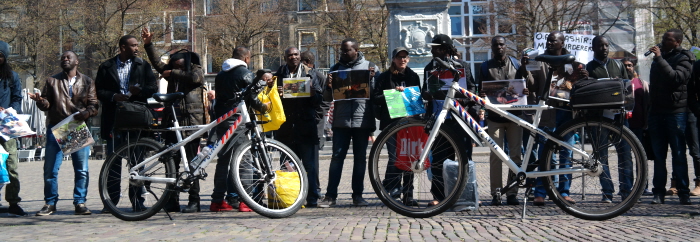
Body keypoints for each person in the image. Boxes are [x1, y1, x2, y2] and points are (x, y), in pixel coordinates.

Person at [142, 27, 206, 213]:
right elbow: (157, 64)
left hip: (191, 124)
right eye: (173, 66)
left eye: (178, 66)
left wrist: (174, 73)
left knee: (193, 163)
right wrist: (149, 45)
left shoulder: (196, 69)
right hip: (172, 121)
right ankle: (172, 200)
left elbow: (196, 78)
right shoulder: (172, 72)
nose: (174, 68)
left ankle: (194, 200)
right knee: (172, 162)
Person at [29, 51, 98, 216]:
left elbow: (94, 106)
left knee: (81, 169)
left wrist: (86, 114)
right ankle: (50, 203)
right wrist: (40, 101)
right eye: (63, 58)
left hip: (75, 127)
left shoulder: (87, 81)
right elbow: (46, 104)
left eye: (68, 57)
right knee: (51, 169)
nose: (65, 59)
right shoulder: (52, 81)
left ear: (77, 61)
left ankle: (80, 202)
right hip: (57, 127)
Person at [95, 35, 158, 213]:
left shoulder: (143, 65)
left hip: (136, 118)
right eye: (133, 45)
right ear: (123, 47)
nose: (137, 48)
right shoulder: (106, 67)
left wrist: (140, 91)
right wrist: (113, 96)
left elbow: (153, 87)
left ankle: (137, 201)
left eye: (138, 45)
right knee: (113, 162)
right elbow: (98, 90)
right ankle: (111, 202)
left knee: (137, 162)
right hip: (114, 119)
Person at [526, 31, 586, 206]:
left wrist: (583, 77)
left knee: (566, 153)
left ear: (562, 43)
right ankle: (541, 192)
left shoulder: (573, 62)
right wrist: (525, 69)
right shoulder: (541, 60)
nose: (550, 43)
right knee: (545, 153)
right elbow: (533, 85)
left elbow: (579, 86)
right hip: (547, 112)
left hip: (566, 112)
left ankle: (564, 192)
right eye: (548, 41)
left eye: (553, 41)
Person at [319, 38, 378, 208]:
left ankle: (358, 196)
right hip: (341, 121)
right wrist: (329, 87)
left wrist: (372, 80)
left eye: (347, 50)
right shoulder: (335, 69)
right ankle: (330, 196)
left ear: (356, 51)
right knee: (337, 157)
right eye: (342, 51)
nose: (343, 53)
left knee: (360, 159)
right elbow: (327, 99)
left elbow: (376, 95)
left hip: (362, 120)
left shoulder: (370, 67)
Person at [210, 46, 268, 212]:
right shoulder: (245, 73)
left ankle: (217, 200)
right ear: (247, 58)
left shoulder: (221, 74)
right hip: (238, 121)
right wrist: (263, 107)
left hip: (222, 119)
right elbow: (251, 96)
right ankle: (246, 201)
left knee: (223, 161)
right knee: (245, 160)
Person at [422, 34, 477, 205]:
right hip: (439, 120)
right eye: (432, 48)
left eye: (436, 48)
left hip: (459, 119)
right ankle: (438, 196)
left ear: (446, 49)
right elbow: (425, 90)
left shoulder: (462, 66)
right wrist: (426, 94)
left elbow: (472, 88)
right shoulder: (429, 67)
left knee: (464, 158)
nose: (432, 51)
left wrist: (463, 100)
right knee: (438, 159)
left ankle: (467, 195)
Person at [479, 36, 530, 206]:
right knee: (496, 156)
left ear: (506, 46)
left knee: (515, 155)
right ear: (492, 48)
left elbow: (527, 83)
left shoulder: (516, 64)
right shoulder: (485, 66)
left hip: (515, 116)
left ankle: (512, 193)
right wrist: (483, 95)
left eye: (502, 44)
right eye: (496, 45)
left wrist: (525, 90)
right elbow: (481, 89)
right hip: (495, 116)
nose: (499, 47)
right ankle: (496, 193)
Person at [648, 29, 695, 205]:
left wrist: (659, 59)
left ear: (677, 42)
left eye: (667, 40)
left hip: (676, 113)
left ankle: (684, 192)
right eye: (663, 38)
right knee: (659, 156)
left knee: (679, 154)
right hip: (656, 113)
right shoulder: (659, 59)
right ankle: (658, 192)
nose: (663, 41)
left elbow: (677, 78)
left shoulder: (685, 57)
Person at [585, 35, 634, 203]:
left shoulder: (618, 65)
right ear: (593, 48)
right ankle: (607, 192)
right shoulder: (589, 68)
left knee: (625, 154)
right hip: (599, 118)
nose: (604, 48)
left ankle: (627, 191)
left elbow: (626, 87)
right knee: (602, 156)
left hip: (619, 117)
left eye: (606, 45)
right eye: (600, 46)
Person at [274, 47, 323, 207]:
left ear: (300, 56)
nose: (293, 57)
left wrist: (313, 94)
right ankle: (291, 197)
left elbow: (320, 100)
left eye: (295, 54)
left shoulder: (311, 74)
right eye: (289, 55)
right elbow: (271, 99)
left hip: (306, 126)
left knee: (310, 165)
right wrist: (276, 92)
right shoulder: (278, 75)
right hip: (286, 128)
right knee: (287, 165)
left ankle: (312, 198)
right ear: (285, 57)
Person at [372, 47, 421, 206]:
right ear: (393, 59)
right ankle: (391, 190)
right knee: (394, 157)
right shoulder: (384, 77)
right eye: (399, 57)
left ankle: (408, 194)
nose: (402, 60)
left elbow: (417, 97)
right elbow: (375, 97)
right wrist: (392, 93)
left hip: (409, 122)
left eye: (405, 57)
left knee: (409, 158)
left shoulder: (413, 76)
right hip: (391, 124)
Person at [0, 40, 26, 216]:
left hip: (7, 125)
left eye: (0, 55)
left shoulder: (12, 76)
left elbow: (17, 98)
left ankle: (13, 202)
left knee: (11, 165)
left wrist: (10, 110)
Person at [621, 58, 653, 196]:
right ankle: (627, 188)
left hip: (639, 125)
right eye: (625, 65)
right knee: (625, 158)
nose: (628, 67)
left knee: (641, 157)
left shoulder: (641, 83)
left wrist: (647, 122)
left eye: (630, 65)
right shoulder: (618, 82)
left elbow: (647, 104)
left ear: (633, 67)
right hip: (624, 126)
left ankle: (642, 186)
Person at [300, 51, 330, 150]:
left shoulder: (320, 77)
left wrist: (316, 116)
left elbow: (326, 101)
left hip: (316, 125)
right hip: (302, 123)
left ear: (307, 62)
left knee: (314, 156)